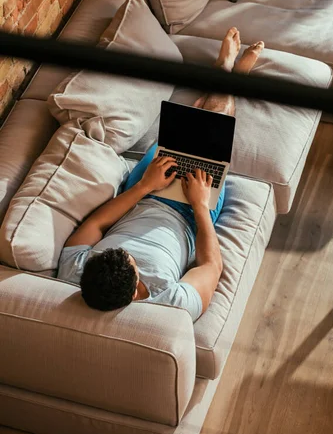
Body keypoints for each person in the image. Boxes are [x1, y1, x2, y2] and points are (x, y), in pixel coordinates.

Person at [57, 28, 264, 322]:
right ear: (133, 294)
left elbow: (98, 221)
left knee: (182, 134)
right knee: (213, 126)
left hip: (141, 193)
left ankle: (225, 76)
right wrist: (200, 205)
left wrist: (144, 186)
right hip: (191, 214)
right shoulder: (171, 303)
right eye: (130, 260)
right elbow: (211, 268)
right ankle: (229, 75)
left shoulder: (77, 270)